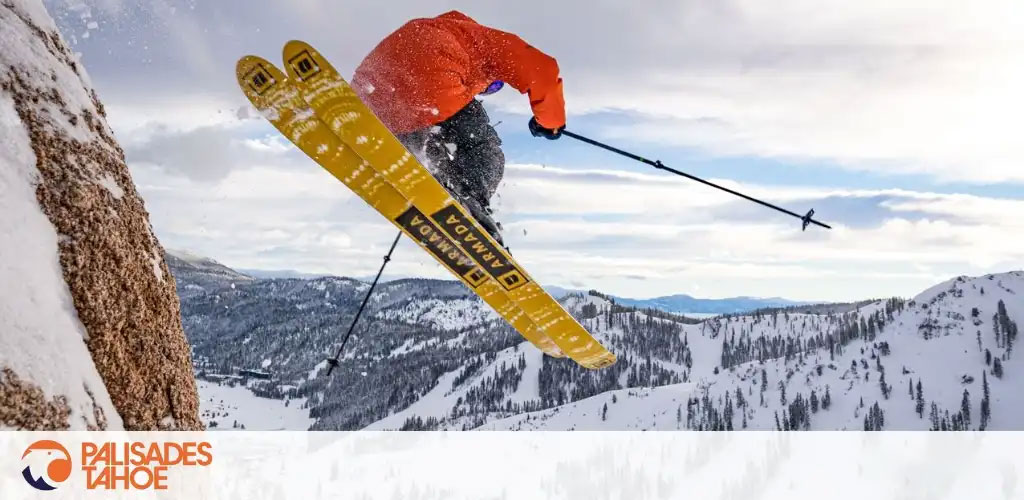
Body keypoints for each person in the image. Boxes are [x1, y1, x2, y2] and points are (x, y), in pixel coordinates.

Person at [352, 10, 566, 244]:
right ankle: (469, 202)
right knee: (482, 147)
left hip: (372, 99)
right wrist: (550, 123)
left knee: (428, 148)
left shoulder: (428, 27)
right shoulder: (483, 40)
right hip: (435, 86)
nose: (485, 90)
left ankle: (436, 178)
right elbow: (542, 69)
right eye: (493, 86)